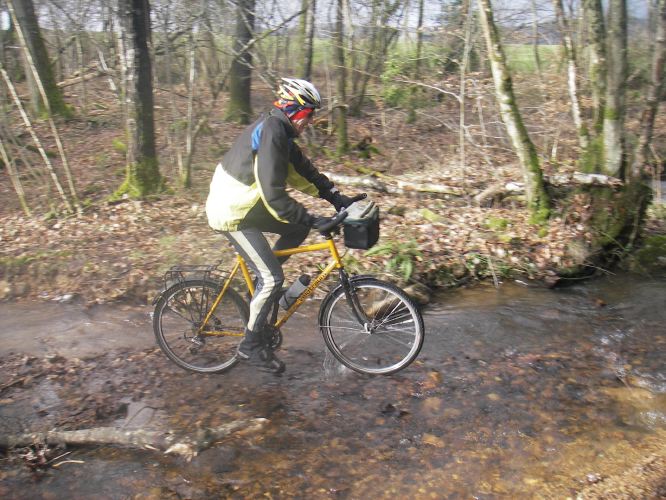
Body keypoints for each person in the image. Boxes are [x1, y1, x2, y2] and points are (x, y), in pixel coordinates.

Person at [205, 78, 356, 374]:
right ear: (294, 109)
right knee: (273, 278)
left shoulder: (281, 132)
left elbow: (303, 170)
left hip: (246, 203)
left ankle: (261, 288)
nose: (310, 122)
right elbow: (273, 194)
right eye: (309, 114)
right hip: (231, 211)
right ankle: (250, 345)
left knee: (295, 229)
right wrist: (313, 218)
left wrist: (335, 197)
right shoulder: (272, 133)